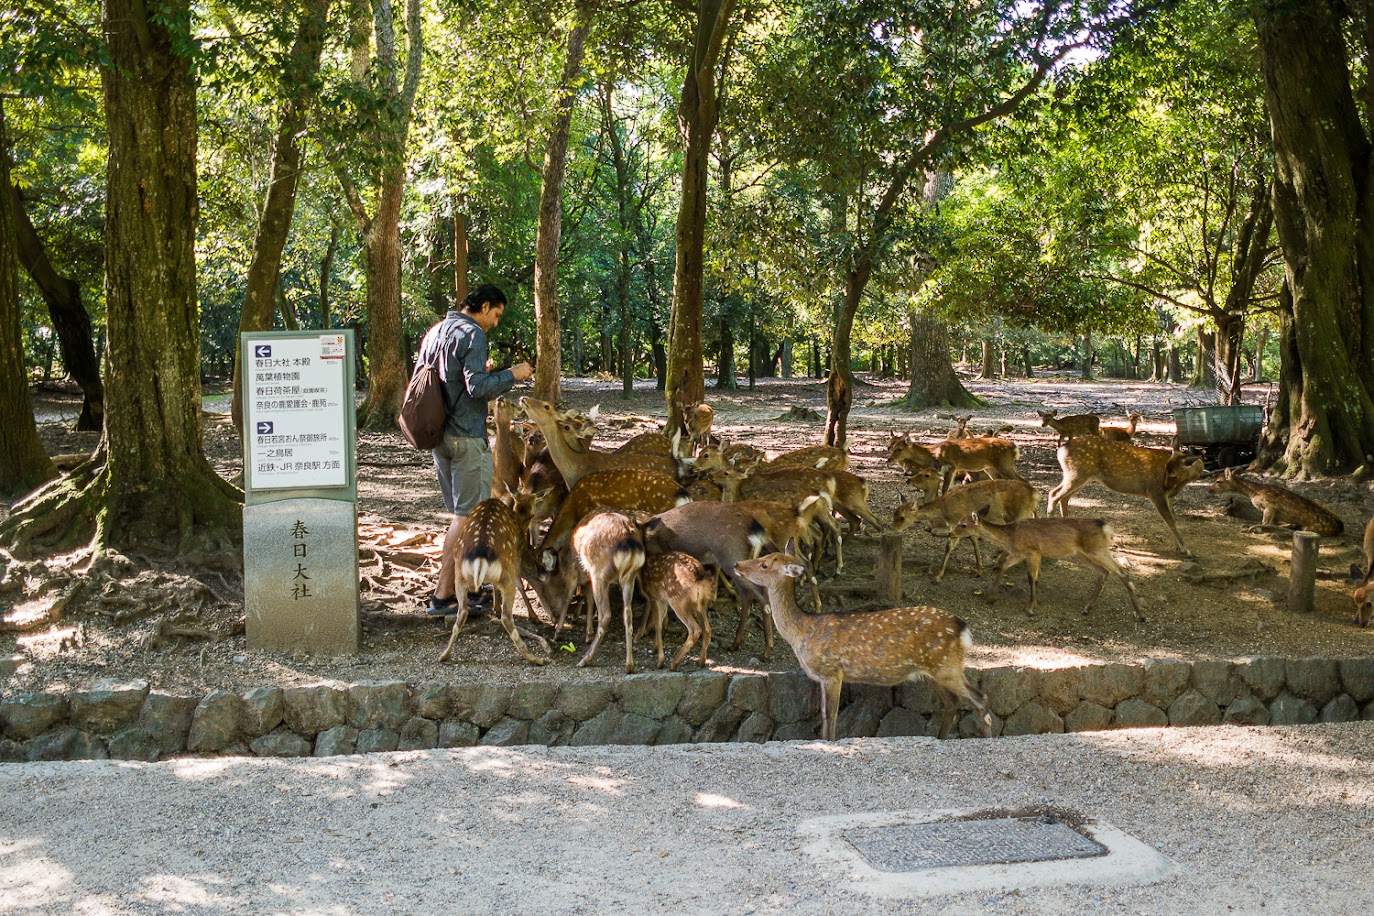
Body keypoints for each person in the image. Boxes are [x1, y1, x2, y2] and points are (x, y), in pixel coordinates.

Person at [420, 285, 533, 616]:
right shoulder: (472, 334)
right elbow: (475, 387)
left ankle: (466, 588)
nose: (496, 323)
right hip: (466, 437)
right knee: (467, 516)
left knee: (461, 514)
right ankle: (445, 597)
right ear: (484, 306)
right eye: (496, 315)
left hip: (439, 436)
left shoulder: (436, 331)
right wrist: (511, 374)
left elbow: (445, 379)